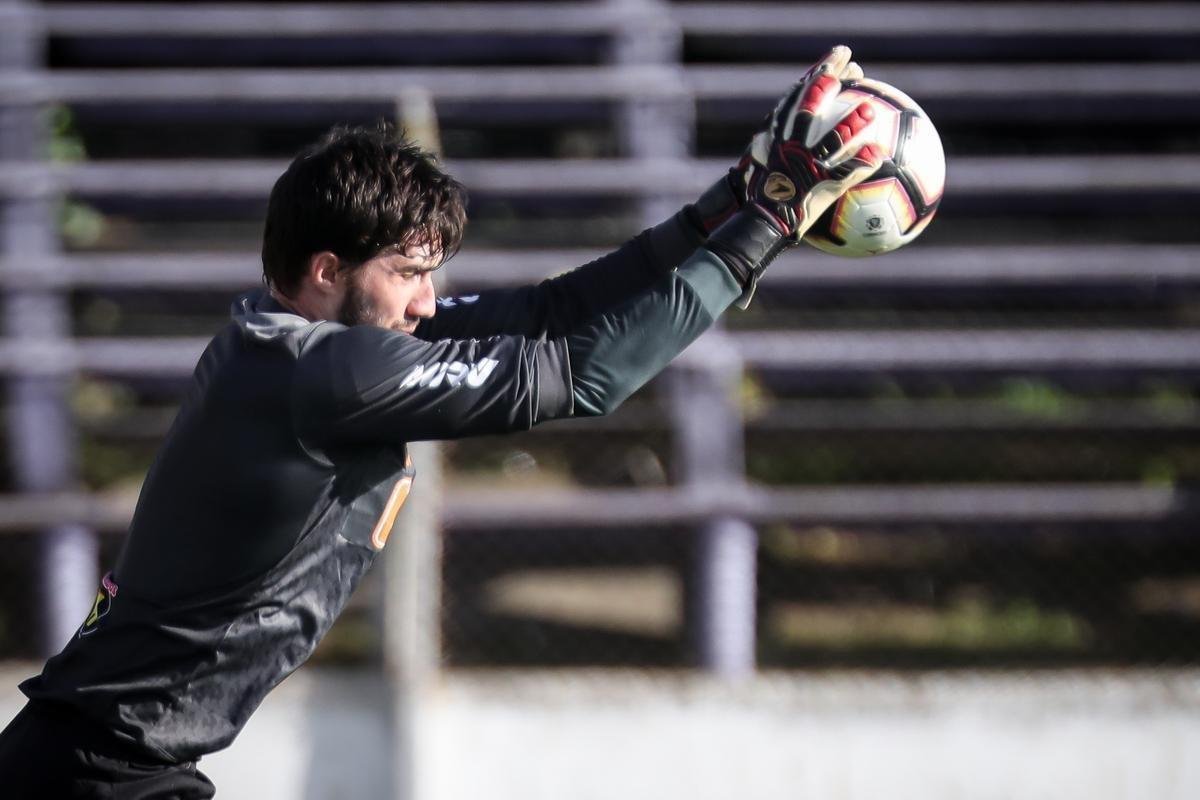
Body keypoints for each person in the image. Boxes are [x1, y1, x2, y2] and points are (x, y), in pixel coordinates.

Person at [0, 46, 879, 798]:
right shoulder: (328, 373)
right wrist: (763, 226)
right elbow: (588, 372)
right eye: (410, 272)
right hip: (100, 773)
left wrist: (730, 200)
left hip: (94, 761)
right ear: (324, 269)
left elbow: (549, 313)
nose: (428, 302)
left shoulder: (296, 347)